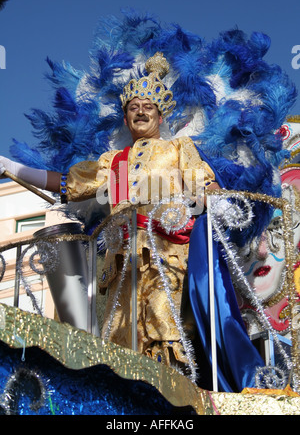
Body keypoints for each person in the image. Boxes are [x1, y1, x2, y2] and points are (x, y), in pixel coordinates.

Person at [0, 52, 265, 390]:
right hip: (120, 265)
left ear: (160, 114)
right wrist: (13, 168)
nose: (140, 111)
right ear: (125, 119)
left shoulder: (178, 149)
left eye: (148, 107)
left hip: (167, 259)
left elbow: (203, 183)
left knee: (165, 330)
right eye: (133, 107)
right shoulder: (113, 161)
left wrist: (218, 202)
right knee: (121, 343)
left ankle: (175, 392)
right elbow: (69, 184)